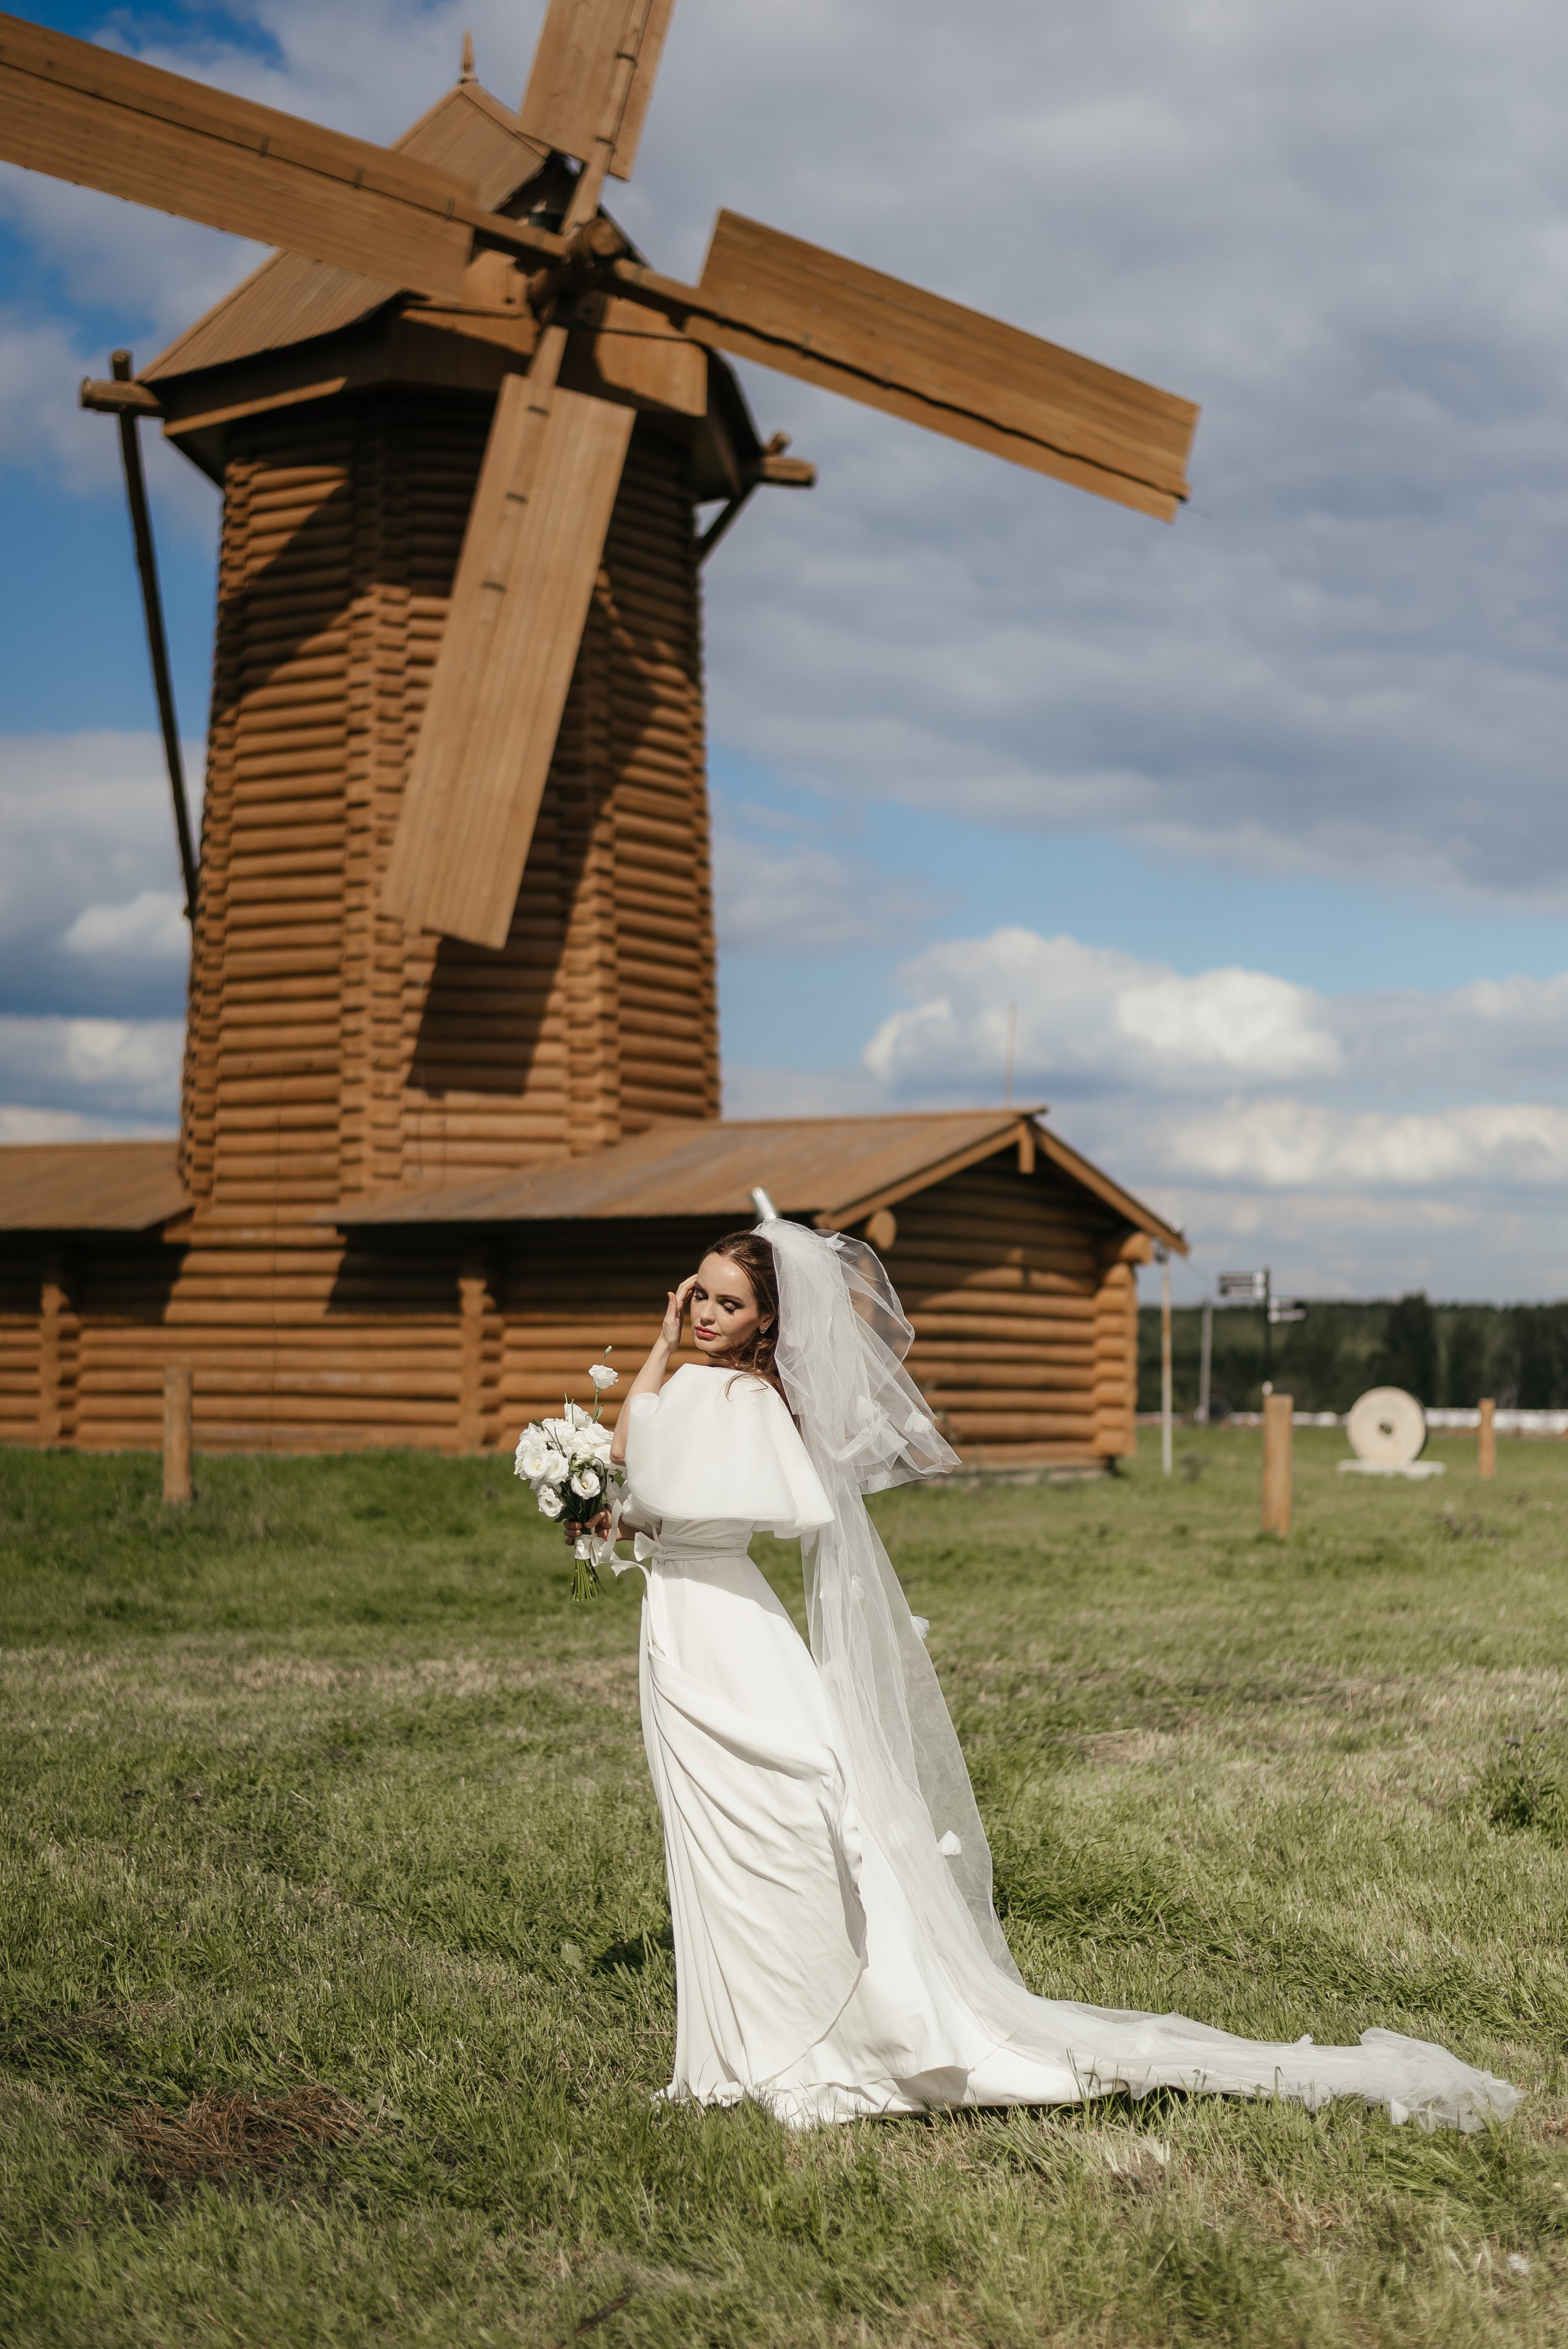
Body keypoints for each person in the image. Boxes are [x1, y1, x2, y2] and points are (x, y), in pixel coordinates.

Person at [570, 1218, 1519, 2135]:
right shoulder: (748, 1398)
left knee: (743, 1825)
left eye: (725, 1304)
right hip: (723, 1618)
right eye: (697, 1295)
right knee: (746, 1822)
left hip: (711, 1629)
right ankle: (785, 2008)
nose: (702, 1314)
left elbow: (633, 1470)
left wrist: (635, 1400)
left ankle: (788, 2025)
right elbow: (654, 1485)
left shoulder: (715, 1395)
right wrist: (657, 1369)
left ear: (764, 1323)